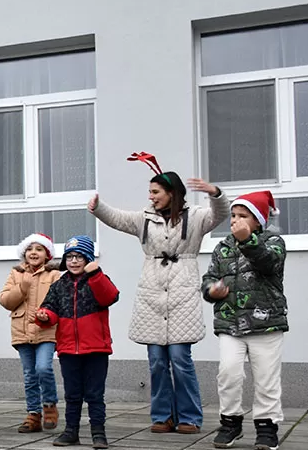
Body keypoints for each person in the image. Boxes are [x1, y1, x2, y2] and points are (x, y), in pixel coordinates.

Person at [89, 152, 228, 434]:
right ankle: (163, 415)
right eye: (150, 192)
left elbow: (221, 214)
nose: (151, 197)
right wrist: (98, 207)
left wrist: (215, 193)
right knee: (156, 362)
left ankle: (189, 417)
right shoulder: (145, 219)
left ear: (171, 193)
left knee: (179, 359)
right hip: (151, 293)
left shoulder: (196, 216)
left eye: (155, 192)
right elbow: (118, 218)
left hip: (183, 291)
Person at [202, 191, 288, 450]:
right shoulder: (223, 247)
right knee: (229, 372)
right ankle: (230, 422)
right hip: (231, 323)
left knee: (266, 378)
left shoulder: (272, 241)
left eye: (243, 216)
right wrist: (211, 290)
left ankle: (266, 426)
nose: (235, 221)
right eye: (233, 216)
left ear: (258, 220)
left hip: (266, 324)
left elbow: (268, 264)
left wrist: (248, 241)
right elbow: (209, 278)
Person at [33, 236, 119, 449]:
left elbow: (110, 297)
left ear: (88, 258)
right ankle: (71, 431)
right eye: (70, 257)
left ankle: (98, 432)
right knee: (72, 394)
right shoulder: (59, 285)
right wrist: (45, 315)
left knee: (95, 394)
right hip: (68, 349)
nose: (73, 261)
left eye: (79, 257)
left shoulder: (98, 279)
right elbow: (51, 308)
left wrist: (95, 273)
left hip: (96, 349)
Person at [0, 233, 62, 433]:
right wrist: (22, 287)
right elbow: (5, 301)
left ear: (47, 254)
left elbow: (61, 301)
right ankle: (33, 414)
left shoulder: (55, 274)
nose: (34, 252)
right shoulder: (16, 273)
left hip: (46, 330)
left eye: (39, 249)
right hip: (22, 330)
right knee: (29, 375)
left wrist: (48, 314)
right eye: (30, 249)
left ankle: (50, 405)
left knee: (43, 368)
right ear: (24, 253)